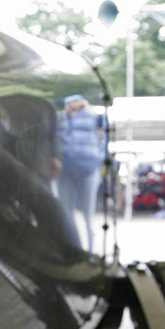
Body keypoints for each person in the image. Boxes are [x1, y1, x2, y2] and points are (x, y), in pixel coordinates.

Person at [54, 94, 107, 250]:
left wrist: (99, 157)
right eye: (69, 101)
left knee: (87, 214)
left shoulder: (93, 117)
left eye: (75, 101)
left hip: (89, 168)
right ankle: (72, 247)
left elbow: (106, 135)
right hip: (66, 169)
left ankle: (90, 250)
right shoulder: (61, 119)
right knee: (65, 212)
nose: (73, 104)